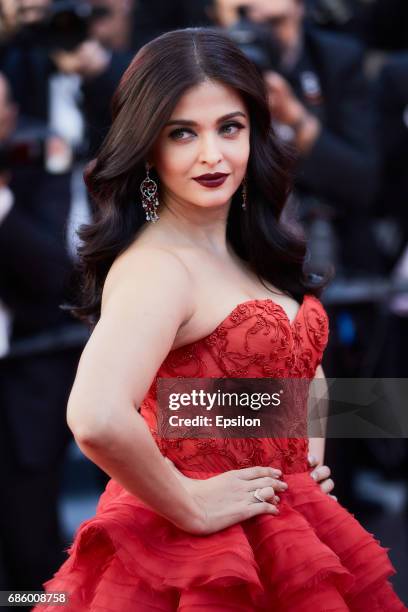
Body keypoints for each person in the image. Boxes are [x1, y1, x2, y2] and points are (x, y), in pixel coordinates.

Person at [35, 28, 406, 611]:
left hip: (286, 529)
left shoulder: (253, 247)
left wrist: (302, 457)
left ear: (255, 131)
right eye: (182, 133)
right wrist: (190, 501)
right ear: (147, 146)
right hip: (193, 554)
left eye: (229, 127)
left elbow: (290, 365)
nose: (212, 154)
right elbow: (96, 415)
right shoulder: (159, 267)